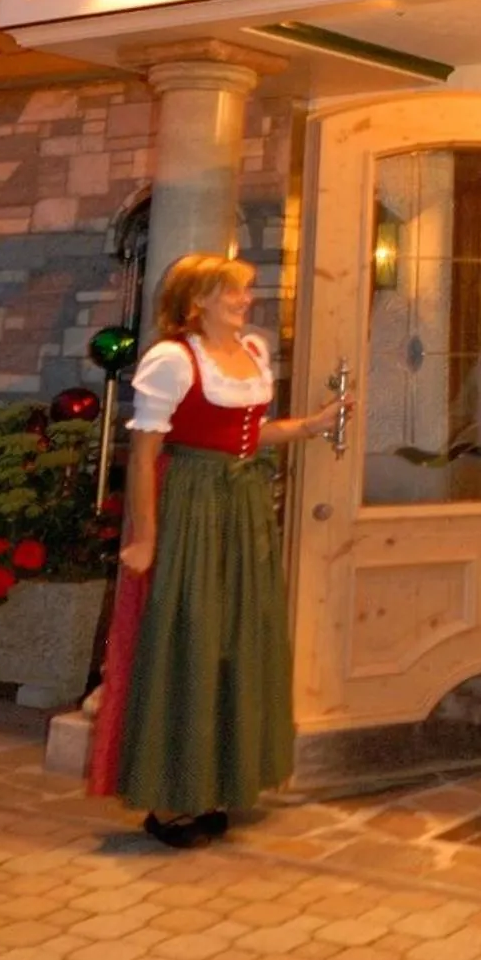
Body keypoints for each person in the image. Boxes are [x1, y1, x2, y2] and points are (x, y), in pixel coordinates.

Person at [105, 253, 342, 849]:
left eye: (243, 291)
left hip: (241, 506)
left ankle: (217, 781)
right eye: (231, 292)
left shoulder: (254, 353)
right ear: (198, 301)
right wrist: (146, 537)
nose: (245, 300)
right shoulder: (172, 359)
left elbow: (250, 433)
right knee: (191, 637)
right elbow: (143, 457)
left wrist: (310, 427)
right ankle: (170, 796)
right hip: (192, 505)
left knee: (238, 635)